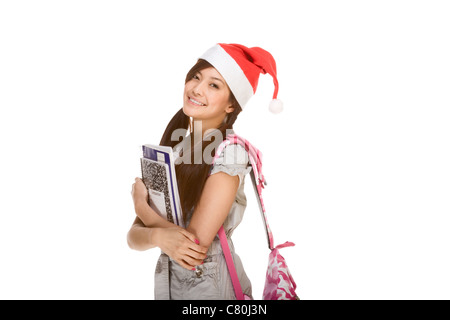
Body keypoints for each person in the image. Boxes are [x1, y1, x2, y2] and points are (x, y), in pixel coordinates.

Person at [127, 43, 282, 300]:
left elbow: (194, 248)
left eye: (214, 85)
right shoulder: (176, 148)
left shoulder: (229, 153)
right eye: (196, 77)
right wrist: (157, 235)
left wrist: (141, 207)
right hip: (170, 289)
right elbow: (133, 237)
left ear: (231, 105)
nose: (197, 88)